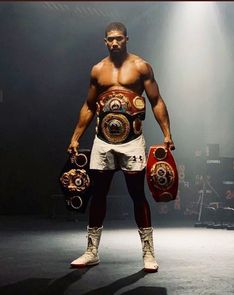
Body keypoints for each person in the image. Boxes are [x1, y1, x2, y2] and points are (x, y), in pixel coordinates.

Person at [67, 22, 174, 272]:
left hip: (132, 142)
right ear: (105, 41)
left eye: (118, 38)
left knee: (138, 195)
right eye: (109, 39)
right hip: (102, 142)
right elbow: (89, 106)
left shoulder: (140, 67)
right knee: (98, 195)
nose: (114, 43)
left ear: (126, 39)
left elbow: (156, 100)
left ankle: (148, 253)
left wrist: (167, 133)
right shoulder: (97, 70)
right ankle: (91, 251)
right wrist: (75, 137)